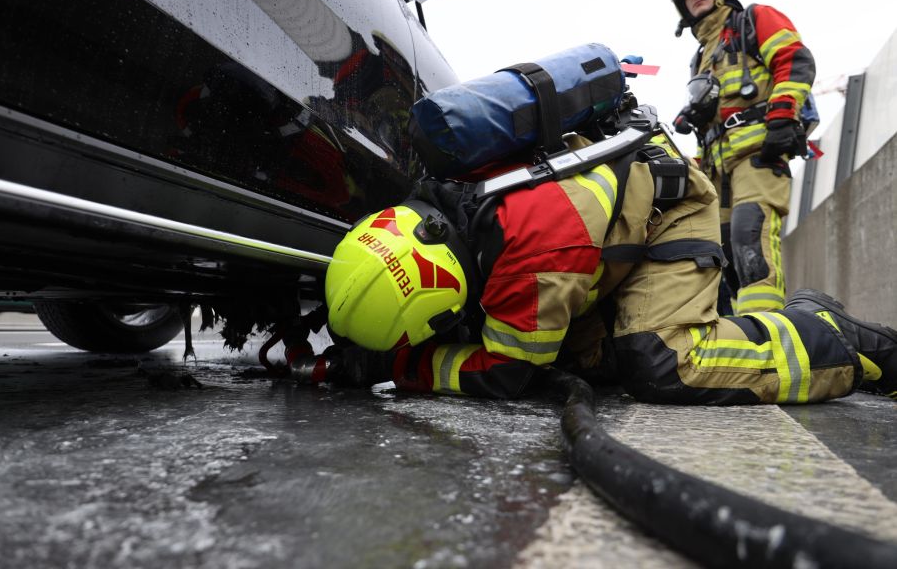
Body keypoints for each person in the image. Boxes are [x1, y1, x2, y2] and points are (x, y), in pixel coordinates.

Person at [316, 114, 896, 404]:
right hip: (602, 237)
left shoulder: (528, 260)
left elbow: (508, 371)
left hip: (668, 210)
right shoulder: (437, 194)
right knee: (591, 359)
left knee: (662, 362)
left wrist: (400, 367)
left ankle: (836, 338)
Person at [671, 0, 815, 314]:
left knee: (750, 238)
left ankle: (768, 329)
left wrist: (782, 115)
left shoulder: (754, 19)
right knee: (724, 257)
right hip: (716, 173)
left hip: (758, 156)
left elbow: (795, 60)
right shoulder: (701, 57)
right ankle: (742, 333)